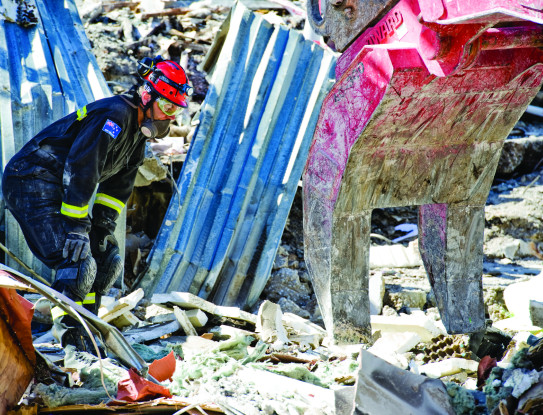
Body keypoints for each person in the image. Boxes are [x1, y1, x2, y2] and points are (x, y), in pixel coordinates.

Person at [2, 56, 193, 350]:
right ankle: (70, 342)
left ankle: (88, 328)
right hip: (30, 180)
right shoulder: (114, 117)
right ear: (146, 95)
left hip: (57, 185)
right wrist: (78, 229)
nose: (169, 117)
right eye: (166, 106)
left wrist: (102, 228)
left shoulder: (136, 138)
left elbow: (117, 187)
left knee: (105, 261)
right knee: (75, 259)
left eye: (174, 110)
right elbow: (82, 168)